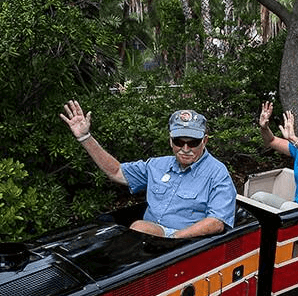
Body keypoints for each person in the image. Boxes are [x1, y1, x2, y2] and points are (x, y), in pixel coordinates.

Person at [59, 100, 236, 238]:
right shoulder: (157, 165)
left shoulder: (217, 173)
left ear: (204, 140)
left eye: (193, 142)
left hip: (186, 242)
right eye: (179, 142)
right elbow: (116, 172)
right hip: (148, 241)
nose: (185, 149)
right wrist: (85, 138)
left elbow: (216, 222)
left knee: (139, 228)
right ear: (170, 140)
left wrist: (173, 240)